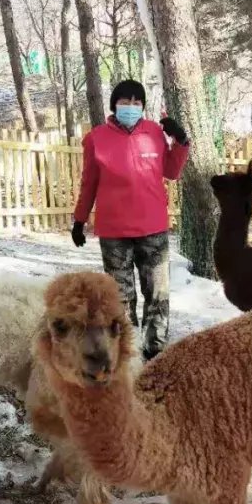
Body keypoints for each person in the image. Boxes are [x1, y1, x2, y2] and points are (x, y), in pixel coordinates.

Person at [70, 79, 190, 360]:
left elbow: (171, 172)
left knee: (157, 293)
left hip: (153, 228)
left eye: (137, 103)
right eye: (125, 102)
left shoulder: (154, 133)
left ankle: (156, 350)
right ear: (114, 105)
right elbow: (88, 184)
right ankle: (129, 354)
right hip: (115, 232)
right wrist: (79, 220)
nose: (131, 107)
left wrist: (180, 142)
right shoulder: (96, 139)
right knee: (121, 298)